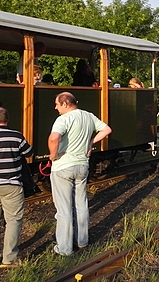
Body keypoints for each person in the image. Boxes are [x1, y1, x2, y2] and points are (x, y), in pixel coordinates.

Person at [48, 92, 112, 256]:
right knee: (81, 204)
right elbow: (106, 129)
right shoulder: (88, 116)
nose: (55, 108)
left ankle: (64, 248)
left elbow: (54, 138)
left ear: (65, 103)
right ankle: (82, 241)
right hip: (82, 165)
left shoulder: (63, 119)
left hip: (63, 166)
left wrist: (53, 156)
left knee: (64, 209)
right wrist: (91, 142)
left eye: (57, 104)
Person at [0, 107, 33, 268]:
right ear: (7, 119)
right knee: (13, 221)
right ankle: (9, 259)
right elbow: (29, 153)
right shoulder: (16, 135)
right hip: (12, 185)